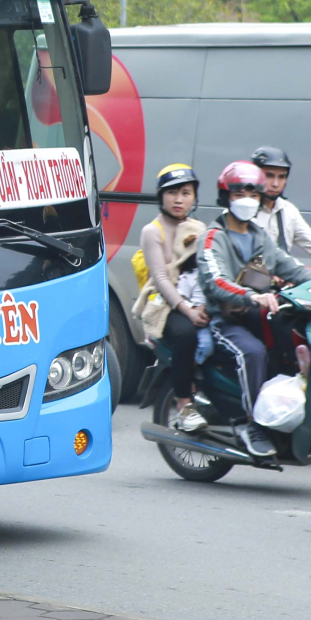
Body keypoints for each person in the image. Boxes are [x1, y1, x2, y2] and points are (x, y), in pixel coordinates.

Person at [199, 161, 311, 457]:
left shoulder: (259, 236)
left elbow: (290, 267)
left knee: (293, 337)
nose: (247, 200)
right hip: (223, 320)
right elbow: (215, 281)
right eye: (240, 193)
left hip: (259, 316)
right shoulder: (214, 237)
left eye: (254, 195)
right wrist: (251, 296)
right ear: (226, 196)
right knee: (251, 353)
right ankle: (252, 424)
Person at [136, 164, 210, 432]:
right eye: (172, 193)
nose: (179, 199)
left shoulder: (199, 228)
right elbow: (161, 278)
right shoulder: (152, 231)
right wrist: (188, 310)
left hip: (197, 299)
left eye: (185, 193)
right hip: (165, 305)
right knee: (186, 334)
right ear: (161, 197)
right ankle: (183, 404)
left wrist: (203, 303)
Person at [251, 145, 311, 265]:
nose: (276, 184)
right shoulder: (244, 211)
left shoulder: (287, 210)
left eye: (282, 177)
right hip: (250, 279)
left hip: (283, 278)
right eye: (269, 176)